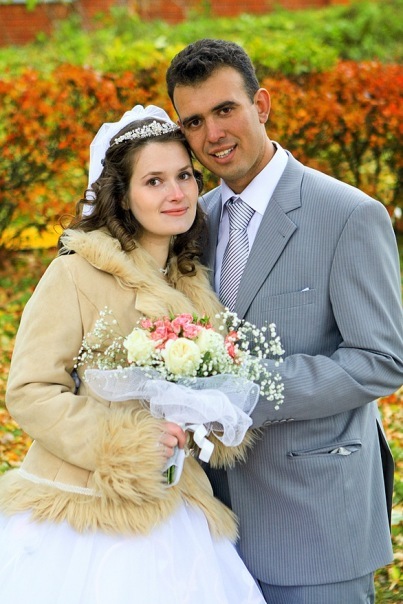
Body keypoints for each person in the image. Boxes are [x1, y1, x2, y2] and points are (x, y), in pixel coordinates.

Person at [166, 39, 403, 603]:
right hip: (210, 523)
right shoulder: (192, 223)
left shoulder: (348, 215)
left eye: (226, 110)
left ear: (262, 105)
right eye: (194, 122)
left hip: (315, 519)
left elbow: (382, 360)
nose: (213, 134)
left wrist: (247, 390)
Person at [0, 105, 267, 604]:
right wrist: (132, 444)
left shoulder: (191, 280)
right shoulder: (76, 272)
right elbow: (30, 390)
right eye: (154, 181)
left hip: (179, 503)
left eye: (184, 175)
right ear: (122, 196)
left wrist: (209, 414)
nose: (177, 193)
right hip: (87, 506)